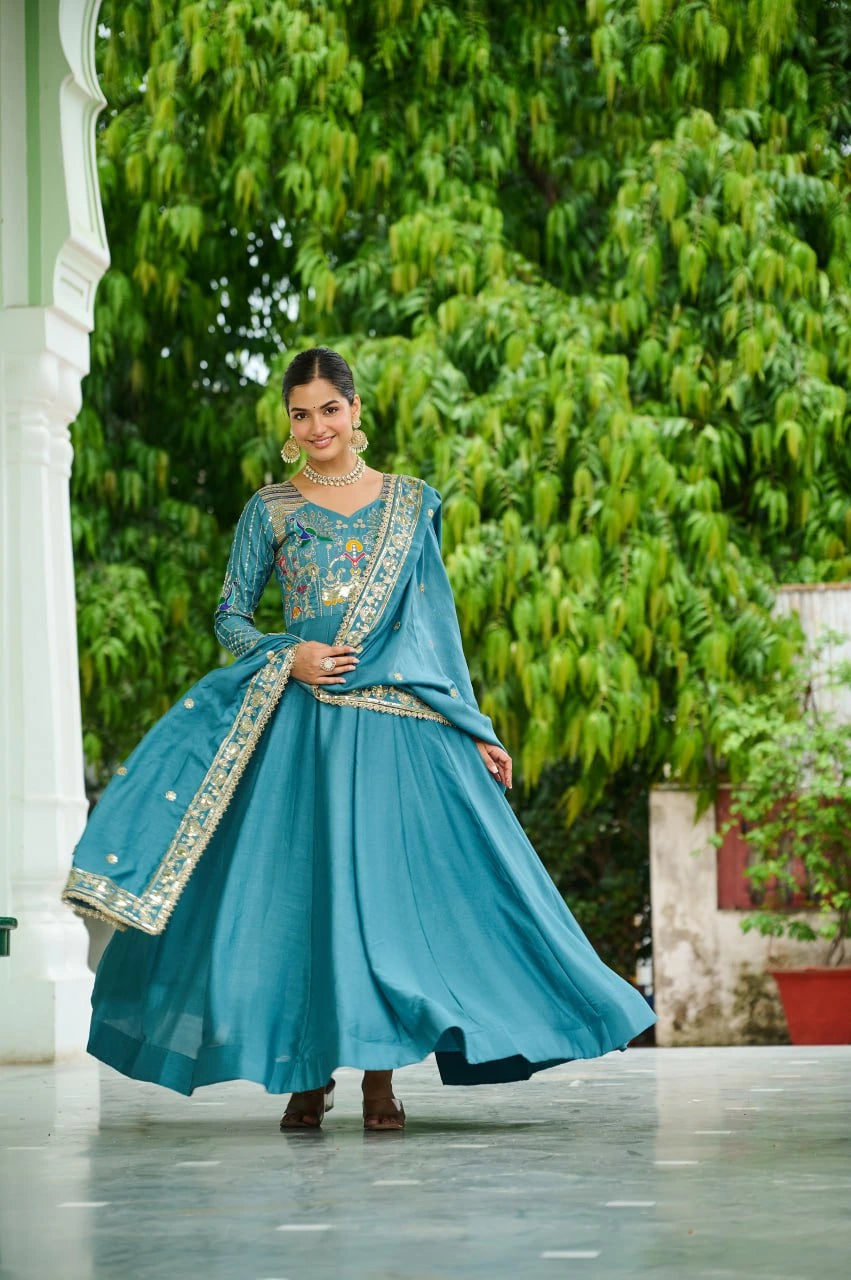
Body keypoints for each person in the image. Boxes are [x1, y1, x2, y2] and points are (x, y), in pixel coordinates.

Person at [62, 346, 656, 1133]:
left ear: (355, 411)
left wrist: (472, 726)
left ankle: (379, 1081)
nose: (316, 427)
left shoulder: (410, 504)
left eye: (328, 410)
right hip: (299, 733)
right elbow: (229, 619)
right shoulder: (269, 509)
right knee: (300, 905)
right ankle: (305, 1077)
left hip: (393, 733)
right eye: (300, 413)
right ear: (288, 422)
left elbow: (435, 630)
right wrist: (290, 654)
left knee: (378, 906)